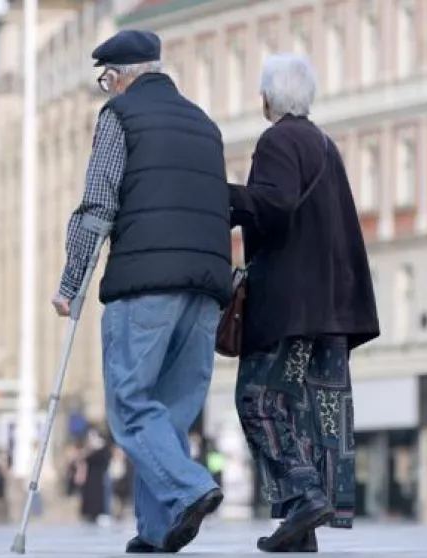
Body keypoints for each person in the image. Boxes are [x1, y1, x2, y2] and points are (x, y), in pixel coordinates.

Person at [52, 29, 231, 553]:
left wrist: (71, 282)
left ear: (118, 76)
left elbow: (98, 206)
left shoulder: (119, 118)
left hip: (144, 284)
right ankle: (156, 532)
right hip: (205, 289)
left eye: (106, 80)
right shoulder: (205, 123)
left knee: (131, 404)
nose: (107, 90)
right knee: (169, 414)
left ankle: (191, 486)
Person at [228, 52, 380, 553]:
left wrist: (222, 195)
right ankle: (302, 530)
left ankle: (302, 492)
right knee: (310, 414)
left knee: (258, 399)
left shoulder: (278, 140)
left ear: (267, 97)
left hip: (290, 306)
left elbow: (275, 203)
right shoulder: (324, 143)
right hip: (332, 308)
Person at [77, 429, 111, 525]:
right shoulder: (89, 448)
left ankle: (99, 513)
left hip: (99, 476)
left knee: (99, 495)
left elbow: (103, 460)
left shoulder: (102, 447)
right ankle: (89, 514)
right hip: (89, 477)